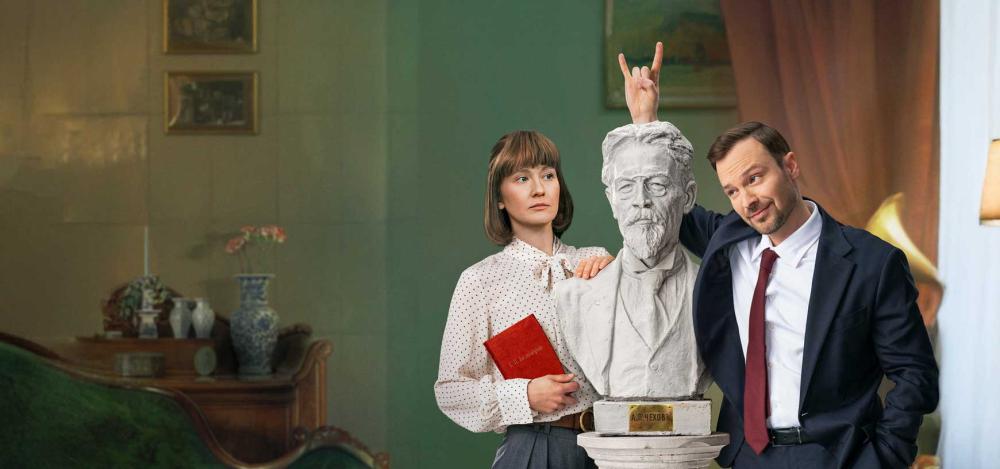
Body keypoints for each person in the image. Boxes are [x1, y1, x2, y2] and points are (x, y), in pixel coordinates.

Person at [620, 43, 939, 468]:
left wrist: (881, 459)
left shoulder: (873, 263)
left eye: (755, 178)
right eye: (733, 191)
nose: (747, 200)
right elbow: (665, 205)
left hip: (838, 458)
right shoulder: (727, 241)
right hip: (747, 456)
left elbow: (916, 375)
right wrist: (645, 123)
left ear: (790, 166)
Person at [434, 130, 613, 468]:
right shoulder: (480, 281)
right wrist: (525, 394)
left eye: (548, 175)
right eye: (521, 178)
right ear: (499, 198)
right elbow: (451, 390)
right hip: (535, 448)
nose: (539, 189)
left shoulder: (597, 262)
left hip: (611, 446)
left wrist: (624, 279)